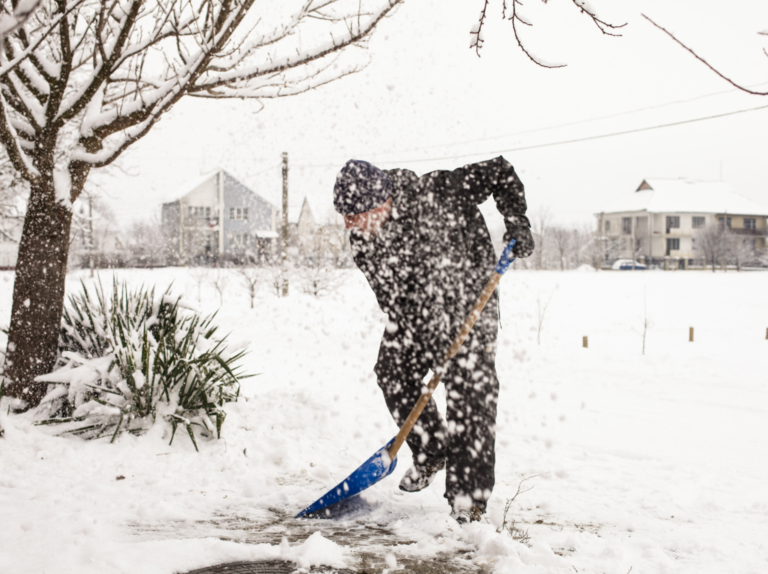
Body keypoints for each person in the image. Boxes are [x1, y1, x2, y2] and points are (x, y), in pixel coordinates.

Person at [332, 156, 534, 524]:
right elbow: (391, 299)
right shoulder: (363, 242)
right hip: (418, 315)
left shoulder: (438, 191)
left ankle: (468, 502)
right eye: (344, 215)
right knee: (393, 370)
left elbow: (501, 171)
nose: (349, 224)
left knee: (470, 391)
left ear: (381, 202)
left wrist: (517, 220)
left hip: (472, 302)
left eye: (354, 214)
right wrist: (428, 336)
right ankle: (431, 449)